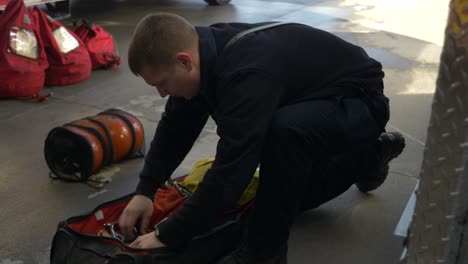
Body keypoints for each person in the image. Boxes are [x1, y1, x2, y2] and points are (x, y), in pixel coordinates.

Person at [118, 12, 405, 263]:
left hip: (362, 104)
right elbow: (175, 128)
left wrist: (169, 234)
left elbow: (233, 168)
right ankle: (369, 159)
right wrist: (146, 191)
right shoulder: (198, 56)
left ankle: (263, 254)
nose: (162, 94)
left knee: (284, 135)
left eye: (162, 83)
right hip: (316, 99)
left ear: (184, 61)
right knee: (289, 198)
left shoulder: (246, 71)